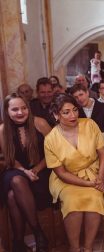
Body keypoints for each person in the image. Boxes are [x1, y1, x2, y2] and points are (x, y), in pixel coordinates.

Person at [44, 93, 104, 252]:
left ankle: (88, 248)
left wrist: (100, 178)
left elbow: (103, 154)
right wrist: (88, 183)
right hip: (67, 179)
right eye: (66, 112)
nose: (73, 115)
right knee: (72, 202)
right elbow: (61, 173)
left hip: (95, 173)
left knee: (94, 197)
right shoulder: (50, 139)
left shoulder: (89, 124)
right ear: (56, 115)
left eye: (74, 110)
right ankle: (74, 248)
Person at [0, 93, 52, 252]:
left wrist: (35, 169)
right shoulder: (2, 130)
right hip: (16, 169)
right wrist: (25, 171)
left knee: (11, 196)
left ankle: (18, 242)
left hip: (43, 170)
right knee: (15, 180)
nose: (20, 112)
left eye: (23, 108)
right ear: (7, 111)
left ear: (28, 108)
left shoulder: (40, 123)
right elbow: (10, 159)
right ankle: (38, 233)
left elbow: (54, 152)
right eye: (15, 109)